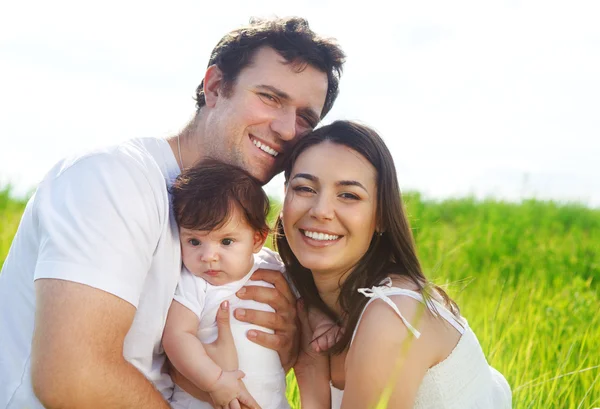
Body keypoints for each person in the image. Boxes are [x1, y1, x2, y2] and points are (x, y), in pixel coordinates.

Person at [0, 17, 345, 409]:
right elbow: (74, 378)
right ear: (215, 87)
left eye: (305, 118)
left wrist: (275, 348)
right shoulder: (113, 180)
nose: (286, 128)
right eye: (270, 97)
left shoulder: (243, 238)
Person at [275, 121, 512, 409]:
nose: (321, 211)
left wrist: (310, 370)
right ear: (285, 195)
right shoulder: (297, 295)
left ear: (382, 216)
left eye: (349, 195)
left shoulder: (391, 315)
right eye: (304, 188)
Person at [164, 160, 339, 409]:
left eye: (226, 241)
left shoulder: (272, 266)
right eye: (194, 241)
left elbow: (306, 302)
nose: (208, 256)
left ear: (257, 239)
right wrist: (216, 382)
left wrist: (322, 323)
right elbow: (177, 336)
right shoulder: (195, 281)